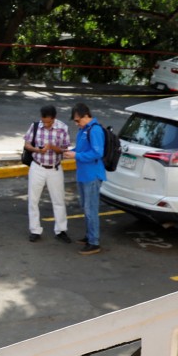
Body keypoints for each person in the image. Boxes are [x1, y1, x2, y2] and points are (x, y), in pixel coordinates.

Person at [23, 105, 72, 243]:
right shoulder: (35, 126)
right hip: (37, 166)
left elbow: (64, 150)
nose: (45, 124)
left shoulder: (63, 128)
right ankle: (35, 230)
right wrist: (37, 150)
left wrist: (52, 147)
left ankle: (61, 230)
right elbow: (27, 144)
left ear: (54, 118)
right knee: (33, 200)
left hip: (54, 168)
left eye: (48, 122)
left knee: (59, 200)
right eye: (43, 121)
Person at [63, 102, 106, 255]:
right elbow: (81, 149)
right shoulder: (84, 130)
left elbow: (97, 153)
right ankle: (89, 236)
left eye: (77, 120)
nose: (76, 123)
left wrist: (76, 155)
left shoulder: (94, 130)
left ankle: (94, 242)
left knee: (91, 208)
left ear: (86, 116)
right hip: (83, 174)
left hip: (92, 175)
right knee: (85, 207)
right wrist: (71, 152)